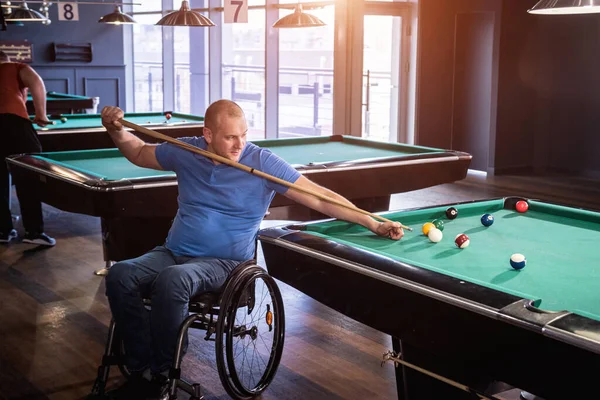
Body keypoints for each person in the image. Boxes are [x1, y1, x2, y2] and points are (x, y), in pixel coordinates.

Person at [99, 100, 404, 399]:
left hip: (225, 262)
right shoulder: (187, 151)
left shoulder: (261, 163)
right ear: (208, 135)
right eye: (231, 137)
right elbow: (139, 152)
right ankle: (141, 369)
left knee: (173, 280)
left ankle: (163, 373)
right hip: (173, 251)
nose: (239, 144)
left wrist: (373, 221)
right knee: (120, 274)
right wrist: (114, 130)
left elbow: (320, 197)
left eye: (244, 135)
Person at [0, 50, 55, 246]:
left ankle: (3, 230)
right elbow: (36, 82)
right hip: (14, 124)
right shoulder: (14, 67)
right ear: (5, 58)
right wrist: (41, 114)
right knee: (28, 177)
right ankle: (34, 232)